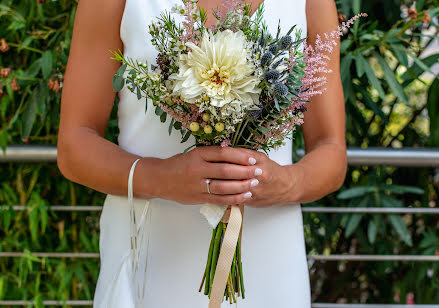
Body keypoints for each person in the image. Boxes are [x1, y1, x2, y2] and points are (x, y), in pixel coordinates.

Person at [57, 0, 347, 306]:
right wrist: (161, 178)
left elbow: (332, 151)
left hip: (271, 262)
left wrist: (287, 182)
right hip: (151, 257)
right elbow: (74, 146)